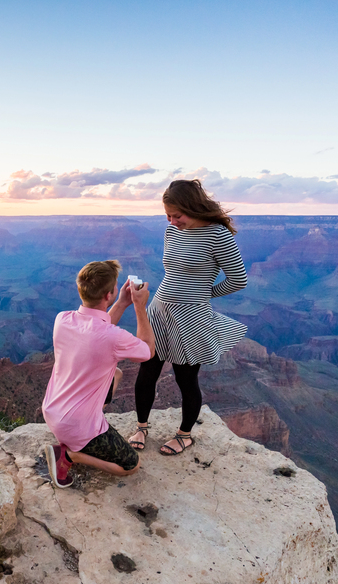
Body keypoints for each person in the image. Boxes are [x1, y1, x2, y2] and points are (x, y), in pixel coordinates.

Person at [129, 180, 248, 455]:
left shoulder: (218, 235)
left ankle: (184, 435)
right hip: (158, 309)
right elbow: (174, 271)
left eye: (177, 215)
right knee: (147, 370)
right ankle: (142, 426)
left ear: (192, 207)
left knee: (186, 378)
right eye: (167, 216)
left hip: (191, 317)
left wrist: (203, 295)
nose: (172, 221)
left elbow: (238, 279)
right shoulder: (171, 233)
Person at [41, 260, 155, 488]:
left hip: (52, 412)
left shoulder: (62, 319)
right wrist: (140, 307)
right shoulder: (113, 337)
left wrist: (122, 303)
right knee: (131, 465)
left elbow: (96, 330)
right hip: (76, 427)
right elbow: (147, 352)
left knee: (117, 373)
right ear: (108, 294)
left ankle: (82, 431)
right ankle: (70, 455)